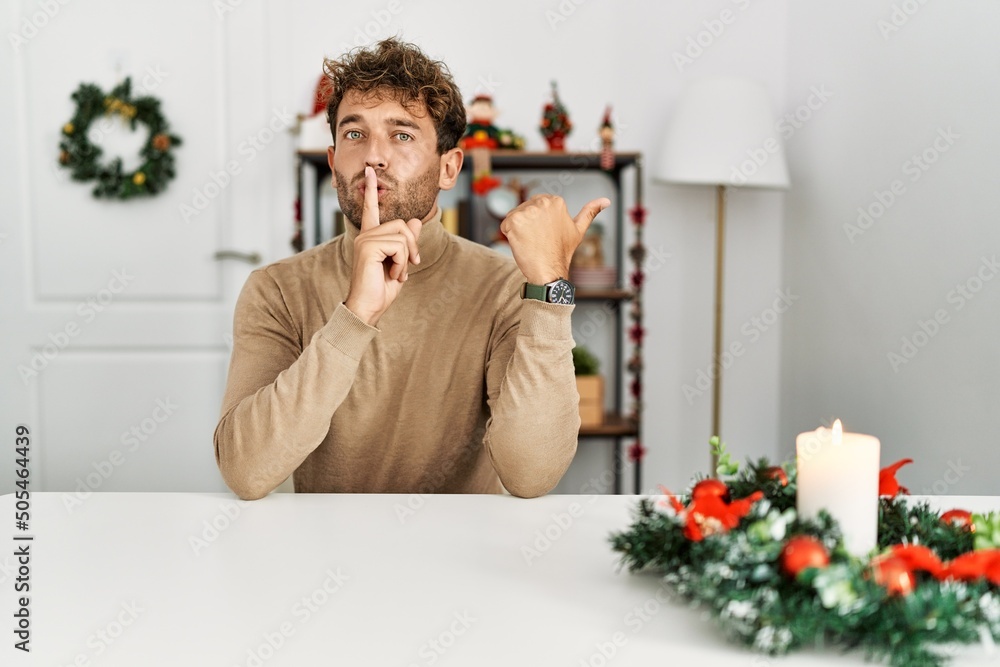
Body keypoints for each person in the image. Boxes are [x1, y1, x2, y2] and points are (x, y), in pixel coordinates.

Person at [214, 37, 609, 500]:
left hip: (462, 560)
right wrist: (354, 315)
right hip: (325, 556)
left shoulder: (504, 288)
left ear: (449, 168)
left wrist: (550, 292)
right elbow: (245, 471)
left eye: (401, 135)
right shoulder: (276, 289)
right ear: (332, 161)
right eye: (354, 134)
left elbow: (531, 475)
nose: (373, 157)